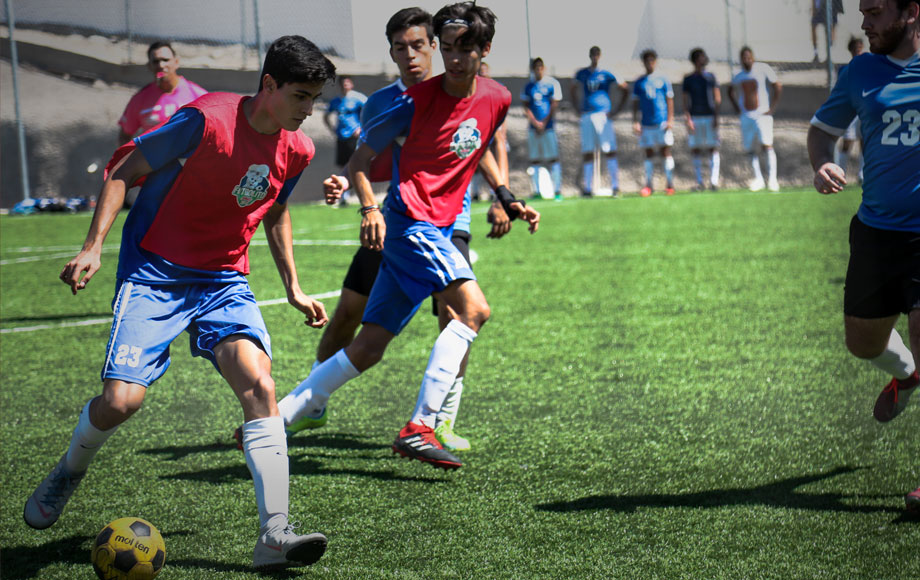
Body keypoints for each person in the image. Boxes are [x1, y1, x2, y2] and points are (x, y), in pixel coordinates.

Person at [23, 35, 336, 569]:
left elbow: (276, 211)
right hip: (155, 272)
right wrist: (93, 247)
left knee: (260, 385)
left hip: (222, 279)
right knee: (120, 403)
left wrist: (293, 287)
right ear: (269, 86)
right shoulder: (206, 119)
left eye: (314, 99)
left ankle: (274, 534)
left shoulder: (296, 148)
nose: (310, 111)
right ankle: (69, 470)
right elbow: (124, 170)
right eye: (301, 96)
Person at [277, 1, 540, 471]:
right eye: (449, 49)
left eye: (464, 48)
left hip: (441, 225)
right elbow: (360, 162)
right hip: (411, 222)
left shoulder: (497, 97)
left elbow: (475, 144)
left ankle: (275, 420)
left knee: (370, 343)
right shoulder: (405, 103)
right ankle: (420, 427)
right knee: (472, 309)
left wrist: (506, 195)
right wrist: (366, 204)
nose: (453, 59)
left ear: (484, 50)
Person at [807, 0, 920, 515]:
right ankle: (905, 372)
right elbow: (820, 131)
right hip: (875, 233)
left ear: (910, 11)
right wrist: (820, 164)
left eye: (875, 11)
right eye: (862, 11)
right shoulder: (859, 71)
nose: (865, 22)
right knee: (861, 343)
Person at [117, 41, 208, 145]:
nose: (161, 65)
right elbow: (125, 136)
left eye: (165, 60)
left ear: (176, 62)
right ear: (149, 66)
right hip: (155, 160)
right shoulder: (139, 100)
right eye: (155, 61)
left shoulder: (198, 95)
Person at [571, 46, 628, 196]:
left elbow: (624, 87)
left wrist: (616, 110)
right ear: (590, 56)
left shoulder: (606, 73)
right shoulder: (582, 73)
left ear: (600, 56)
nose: (595, 57)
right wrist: (577, 108)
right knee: (588, 151)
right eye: (593, 55)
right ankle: (588, 188)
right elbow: (572, 88)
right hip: (587, 115)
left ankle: (615, 186)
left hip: (603, 115)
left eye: (597, 54)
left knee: (609, 149)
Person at [728, 46, 783, 192]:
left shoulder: (762, 69)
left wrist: (772, 108)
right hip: (746, 117)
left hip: (762, 115)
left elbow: (777, 86)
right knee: (750, 149)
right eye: (743, 58)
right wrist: (737, 109)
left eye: (748, 57)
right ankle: (758, 179)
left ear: (753, 57)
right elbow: (730, 91)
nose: (746, 60)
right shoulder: (738, 75)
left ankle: (772, 180)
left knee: (767, 145)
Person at [631, 49, 675, 196]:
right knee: (648, 153)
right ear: (643, 63)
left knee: (665, 152)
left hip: (661, 122)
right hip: (646, 123)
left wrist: (670, 119)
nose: (649, 63)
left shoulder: (663, 79)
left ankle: (670, 185)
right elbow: (635, 103)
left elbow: (669, 99)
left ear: (655, 62)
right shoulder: (639, 82)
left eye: (652, 60)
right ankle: (649, 185)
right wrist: (635, 121)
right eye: (647, 60)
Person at [521, 57, 564, 200]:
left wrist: (544, 122)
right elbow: (526, 106)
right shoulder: (528, 86)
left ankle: (557, 191)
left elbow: (554, 104)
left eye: (540, 67)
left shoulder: (552, 84)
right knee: (535, 160)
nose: (538, 70)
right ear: (532, 69)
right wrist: (534, 122)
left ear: (544, 68)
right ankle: (536, 191)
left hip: (548, 127)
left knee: (553, 159)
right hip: (533, 129)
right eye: (535, 67)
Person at [682, 47, 721, 191]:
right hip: (696, 118)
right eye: (701, 57)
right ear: (696, 60)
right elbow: (685, 101)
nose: (704, 59)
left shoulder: (711, 77)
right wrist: (688, 119)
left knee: (713, 148)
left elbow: (717, 98)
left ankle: (714, 182)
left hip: (710, 117)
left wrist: (716, 116)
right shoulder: (689, 79)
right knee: (695, 149)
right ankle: (699, 182)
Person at [324, 76, 367, 205]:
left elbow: (370, 111)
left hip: (354, 137)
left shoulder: (358, 98)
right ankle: (345, 196)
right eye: (343, 83)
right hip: (342, 136)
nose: (345, 85)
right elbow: (326, 116)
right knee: (343, 166)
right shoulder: (336, 101)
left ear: (351, 84)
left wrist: (361, 128)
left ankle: (363, 193)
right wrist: (333, 129)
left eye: (347, 83)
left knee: (357, 164)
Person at [835, 36, 866, 182]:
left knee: (864, 141)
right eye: (855, 48)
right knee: (847, 142)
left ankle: (862, 175)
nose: (858, 50)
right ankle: (840, 174)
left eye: (860, 47)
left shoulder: (869, 67)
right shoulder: (845, 69)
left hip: (864, 111)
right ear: (851, 50)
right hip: (851, 112)